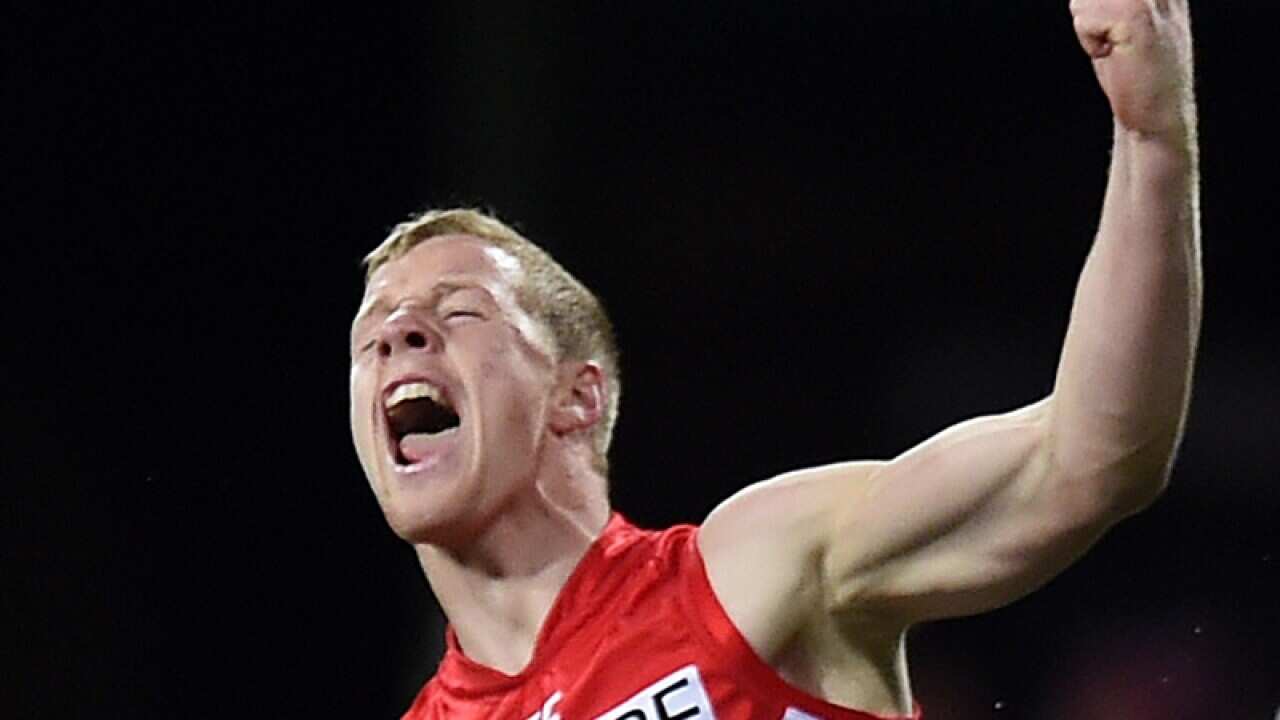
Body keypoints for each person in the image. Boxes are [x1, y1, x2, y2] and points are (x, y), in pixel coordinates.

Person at [348, 2, 1200, 718]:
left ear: (578, 397)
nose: (398, 335)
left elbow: (1087, 461)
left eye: (458, 312)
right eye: (372, 332)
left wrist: (1152, 138)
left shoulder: (752, 574)